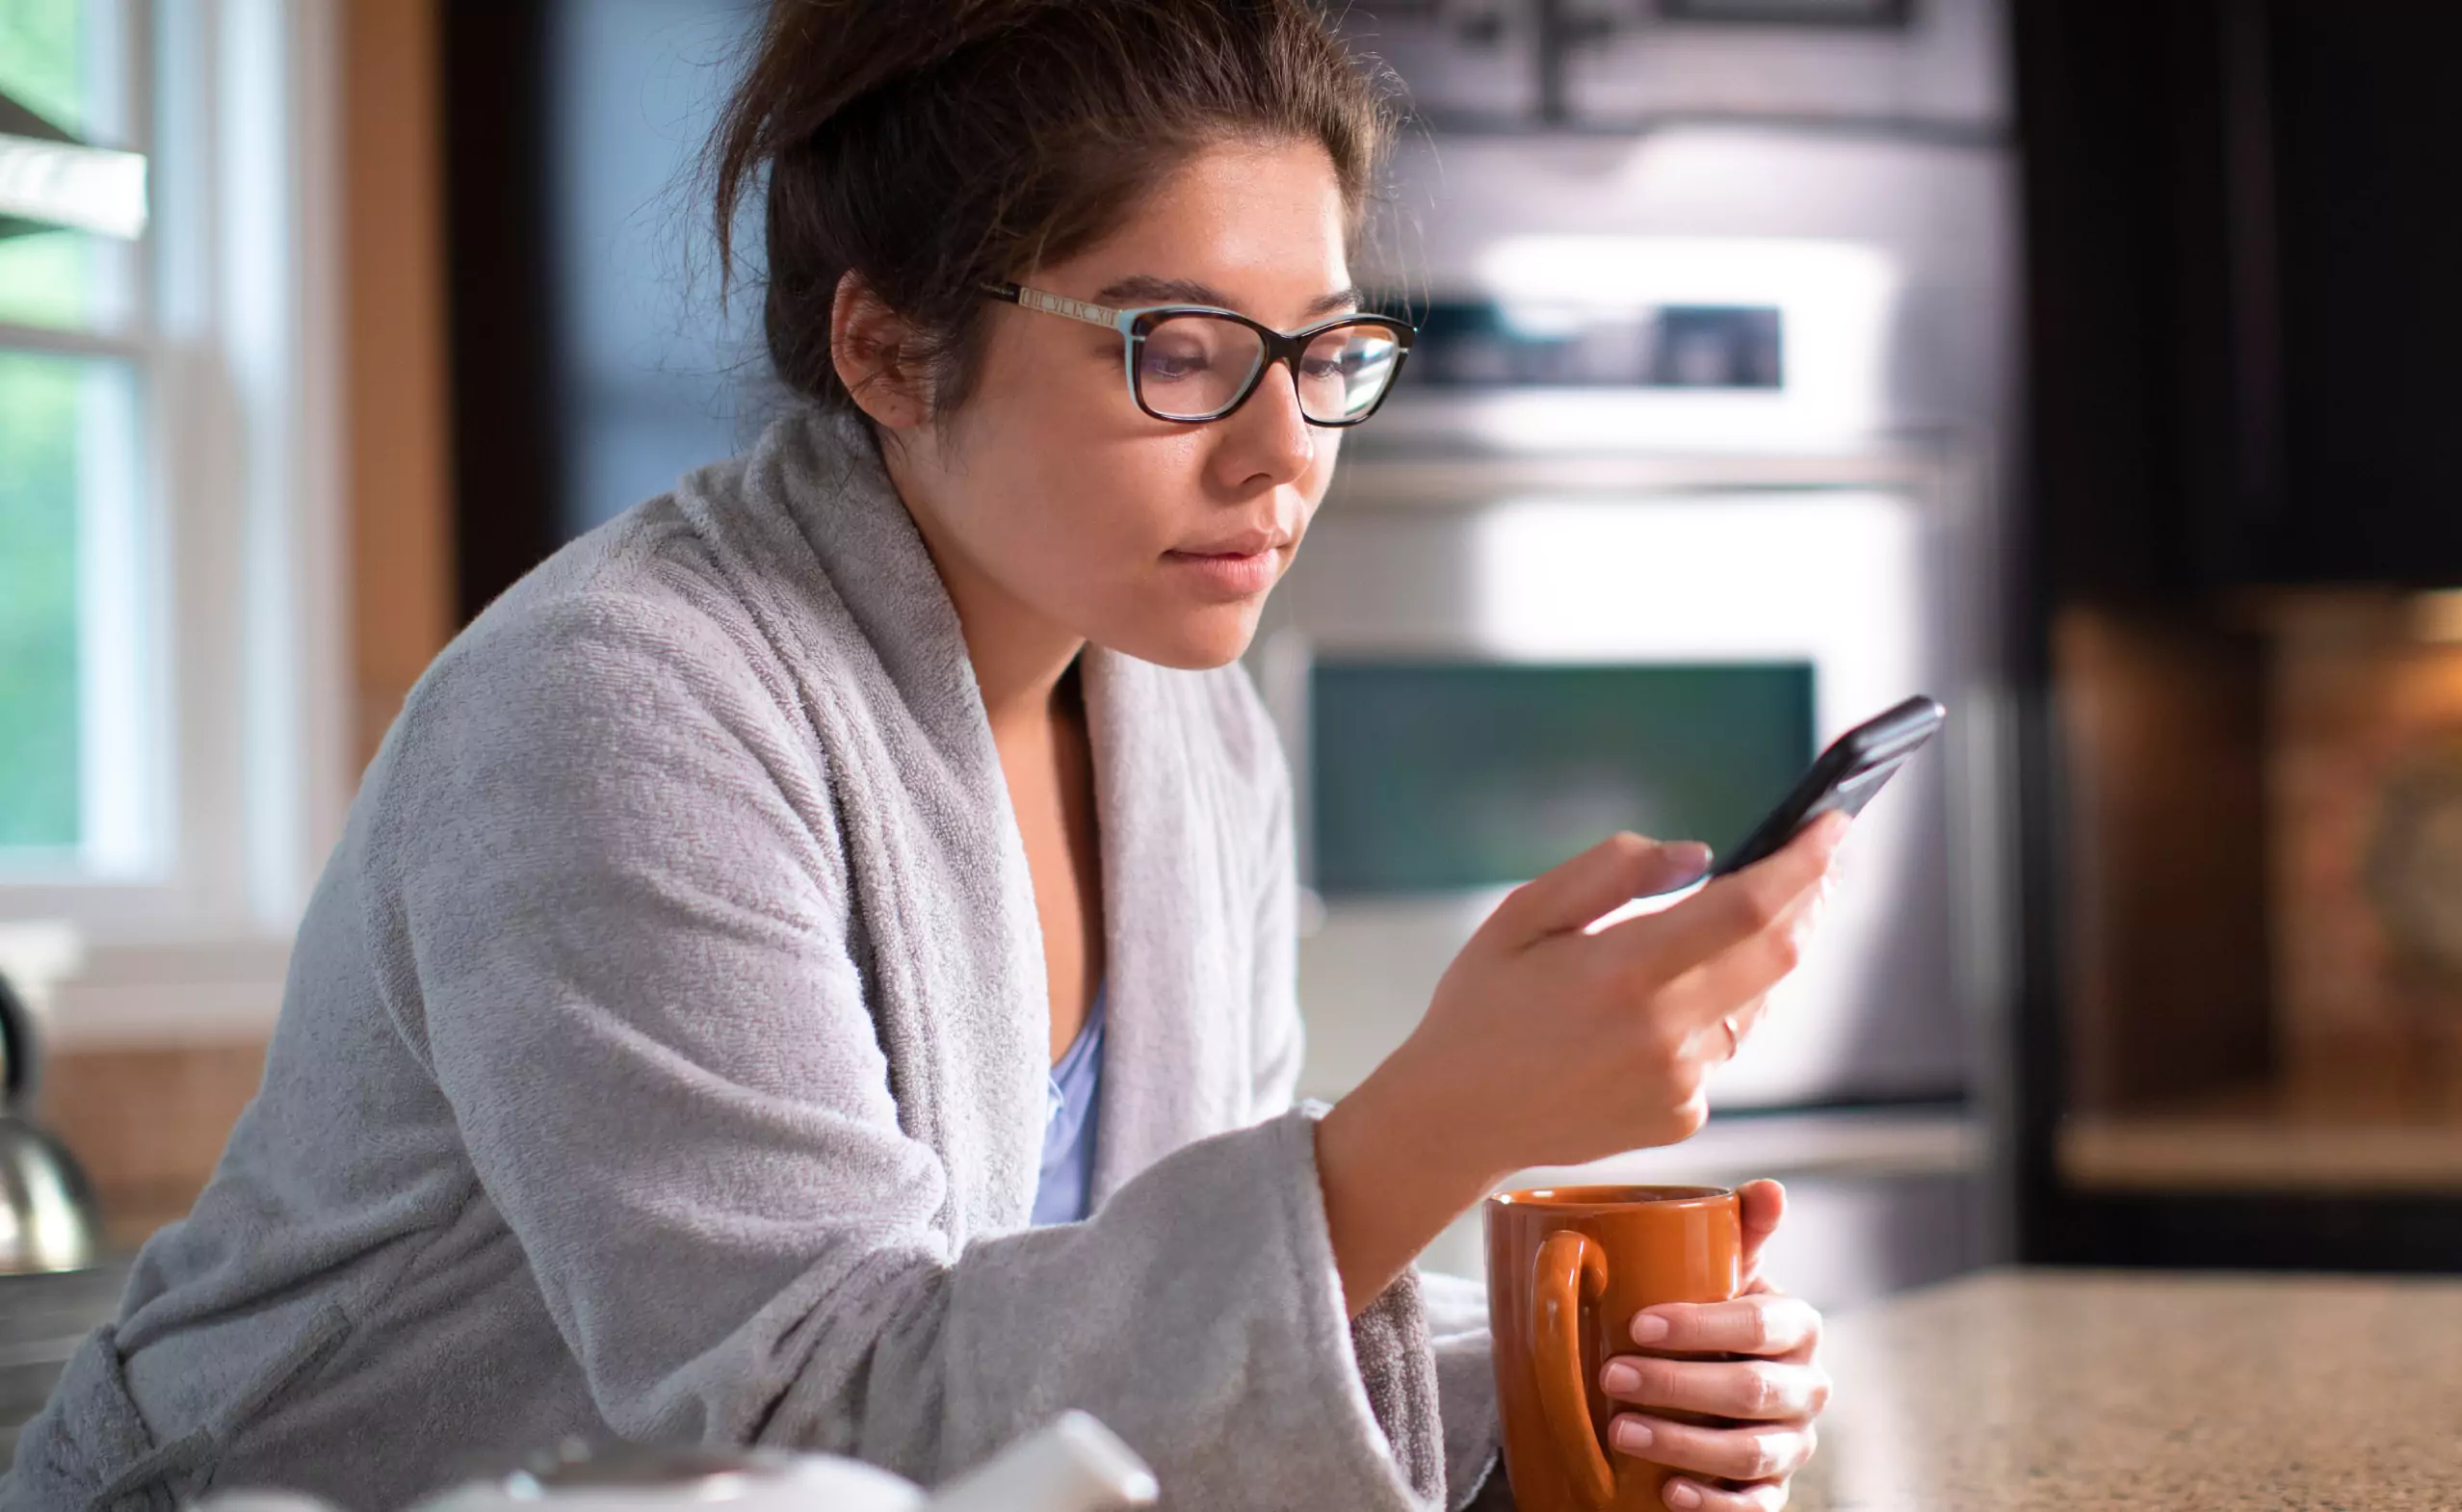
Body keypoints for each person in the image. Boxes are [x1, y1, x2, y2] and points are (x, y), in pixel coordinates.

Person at [7, 3, 1845, 1508]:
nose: (1287, 451)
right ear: (888, 349)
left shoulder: (1182, 720)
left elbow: (1098, 1344)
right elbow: (812, 1421)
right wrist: (1447, 1120)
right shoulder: (613, 708)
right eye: (1181, 348)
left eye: (1328, 349)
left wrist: (1566, 1383)